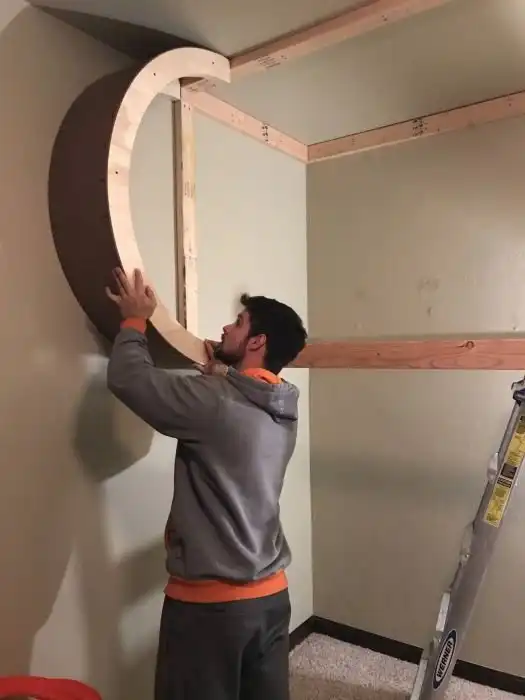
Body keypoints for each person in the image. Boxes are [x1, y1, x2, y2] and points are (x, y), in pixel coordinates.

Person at [105, 267, 307, 700]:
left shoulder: (215, 404)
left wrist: (135, 320)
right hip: (271, 598)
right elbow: (236, 404)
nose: (225, 329)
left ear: (257, 342)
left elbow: (129, 379)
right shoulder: (282, 409)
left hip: (213, 607)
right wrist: (222, 373)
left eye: (238, 323)